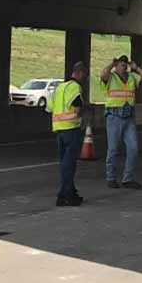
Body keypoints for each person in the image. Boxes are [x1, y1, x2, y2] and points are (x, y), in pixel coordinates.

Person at [97, 54, 142, 189]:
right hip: (114, 117)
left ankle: (128, 179)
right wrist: (111, 63)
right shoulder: (111, 77)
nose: (124, 67)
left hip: (129, 117)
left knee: (133, 149)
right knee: (113, 149)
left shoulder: (131, 77)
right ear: (116, 66)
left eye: (125, 65)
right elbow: (102, 74)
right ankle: (111, 178)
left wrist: (136, 68)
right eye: (121, 64)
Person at [50, 61, 87, 207]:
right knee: (69, 165)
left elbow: (50, 107)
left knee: (64, 164)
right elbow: (77, 109)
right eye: (84, 74)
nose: (85, 78)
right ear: (79, 73)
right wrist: (82, 113)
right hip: (71, 129)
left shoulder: (59, 87)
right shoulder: (75, 87)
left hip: (59, 130)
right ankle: (64, 195)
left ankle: (71, 192)